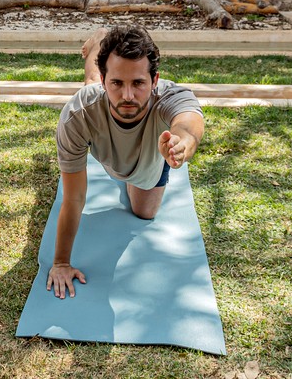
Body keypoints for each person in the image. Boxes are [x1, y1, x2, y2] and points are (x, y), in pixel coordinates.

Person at [47, 25, 205, 299]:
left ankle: (104, 52)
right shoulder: (79, 113)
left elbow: (189, 124)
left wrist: (180, 144)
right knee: (89, 90)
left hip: (147, 158)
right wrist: (61, 262)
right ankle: (98, 46)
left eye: (139, 83)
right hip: (100, 124)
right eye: (117, 83)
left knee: (145, 211)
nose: (128, 96)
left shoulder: (169, 96)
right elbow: (73, 199)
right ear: (106, 80)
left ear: (155, 80)